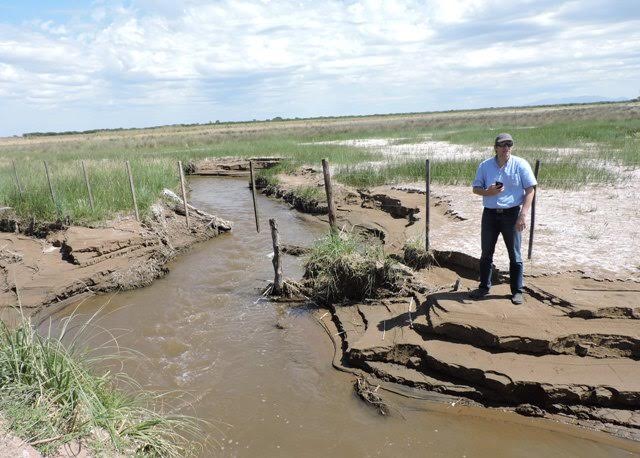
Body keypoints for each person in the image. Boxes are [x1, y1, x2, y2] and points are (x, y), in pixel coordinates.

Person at [468, 133, 536, 304]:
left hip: (512, 214)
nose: (506, 148)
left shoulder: (520, 164)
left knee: (515, 255)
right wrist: (487, 192)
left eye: (509, 144)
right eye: (502, 145)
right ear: (496, 147)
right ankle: (484, 287)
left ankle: (517, 291)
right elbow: (476, 188)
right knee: (486, 253)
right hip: (490, 214)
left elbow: (530, 190)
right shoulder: (485, 166)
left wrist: (523, 215)